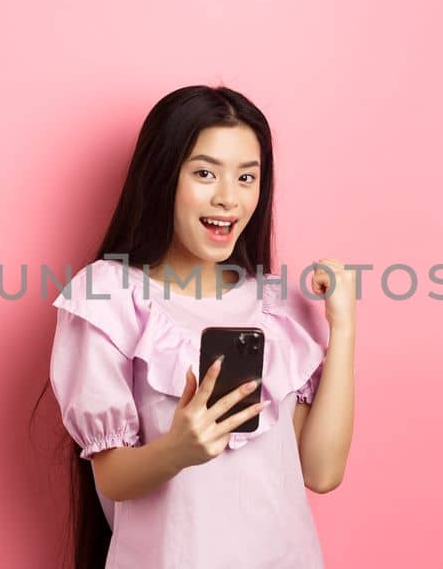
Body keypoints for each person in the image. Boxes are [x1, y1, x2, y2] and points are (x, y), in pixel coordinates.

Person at [47, 85, 357, 568]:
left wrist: (344, 330)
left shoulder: (278, 304)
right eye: (205, 173)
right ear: (163, 176)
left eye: (247, 177)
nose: (228, 198)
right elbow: (111, 477)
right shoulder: (108, 295)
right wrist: (178, 449)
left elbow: (320, 471)